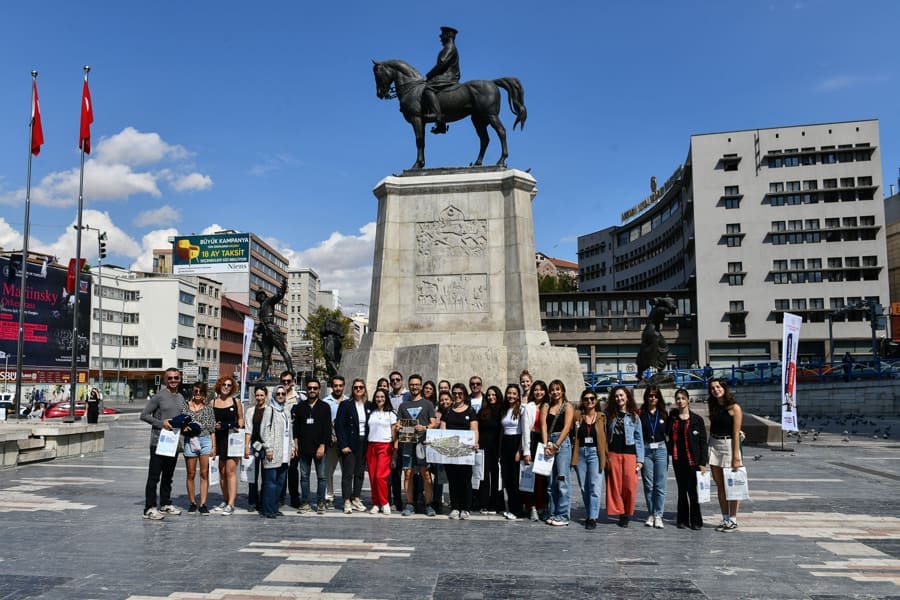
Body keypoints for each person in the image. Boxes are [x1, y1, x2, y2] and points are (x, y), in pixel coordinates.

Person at [139, 367, 185, 520]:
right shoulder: (159, 396)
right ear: (166, 380)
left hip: (173, 442)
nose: (173, 380)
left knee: (168, 476)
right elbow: (144, 415)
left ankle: (165, 504)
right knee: (154, 476)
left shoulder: (181, 397)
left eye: (176, 378)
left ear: (180, 379)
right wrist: (161, 423)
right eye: (170, 378)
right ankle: (149, 508)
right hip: (158, 441)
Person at [666, 387, 708, 530]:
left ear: (688, 400)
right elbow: (666, 436)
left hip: (693, 460)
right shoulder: (672, 419)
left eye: (683, 398)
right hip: (679, 460)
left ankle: (696, 521)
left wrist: (703, 462)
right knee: (681, 490)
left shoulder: (697, 420)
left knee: (693, 491)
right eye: (678, 398)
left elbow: (703, 442)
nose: (680, 401)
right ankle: (682, 520)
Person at [397, 374, 437, 516]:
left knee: (426, 474)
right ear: (409, 386)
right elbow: (398, 423)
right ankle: (409, 503)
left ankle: (428, 504)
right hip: (407, 443)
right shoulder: (403, 405)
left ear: (421, 386)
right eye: (412, 384)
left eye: (417, 384)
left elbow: (434, 423)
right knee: (407, 473)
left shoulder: (428, 404)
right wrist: (398, 427)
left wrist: (425, 428)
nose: (414, 387)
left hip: (423, 444)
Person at [605, 386, 644, 527]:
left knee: (629, 486)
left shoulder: (634, 416)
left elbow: (639, 438)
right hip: (613, 453)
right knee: (615, 485)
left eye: (621, 395)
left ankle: (628, 511)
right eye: (616, 396)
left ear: (627, 397)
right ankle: (621, 513)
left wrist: (640, 460)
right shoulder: (609, 414)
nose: (619, 398)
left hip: (629, 454)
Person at [707, 378, 743, 532]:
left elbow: (736, 433)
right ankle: (725, 517)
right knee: (720, 485)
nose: (716, 390)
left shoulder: (734, 408)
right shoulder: (713, 406)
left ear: (724, 388)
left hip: (729, 446)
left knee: (732, 485)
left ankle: (733, 519)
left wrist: (736, 457)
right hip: (714, 445)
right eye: (713, 388)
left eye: (718, 387)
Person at [293, 379, 332, 514]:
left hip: (319, 448)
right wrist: (296, 444)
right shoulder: (300, 407)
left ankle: (321, 502)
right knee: (304, 477)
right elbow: (296, 428)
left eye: (315, 388)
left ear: (319, 390)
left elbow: (327, 429)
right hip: (304, 448)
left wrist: (322, 446)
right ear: (306, 389)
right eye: (310, 388)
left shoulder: (324, 407)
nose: (312, 390)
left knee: (321, 477)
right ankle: (305, 502)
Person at [572, 388, 607, 530]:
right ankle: (589, 512)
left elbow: (606, 438)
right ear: (582, 401)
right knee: (583, 487)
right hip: (580, 453)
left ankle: (592, 517)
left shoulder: (601, 417)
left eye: (592, 398)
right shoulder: (577, 416)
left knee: (595, 486)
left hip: (595, 453)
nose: (589, 401)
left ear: (596, 401)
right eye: (586, 399)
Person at [540, 379, 575, 526]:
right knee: (550, 482)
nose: (555, 392)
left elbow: (567, 427)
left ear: (563, 391)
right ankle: (553, 512)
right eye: (553, 389)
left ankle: (563, 515)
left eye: (558, 389)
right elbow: (543, 426)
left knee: (562, 480)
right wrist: (546, 444)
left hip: (562, 443)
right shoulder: (546, 406)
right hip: (549, 442)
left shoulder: (567, 406)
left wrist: (556, 445)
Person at [442, 383, 479, 519]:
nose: (457, 396)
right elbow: (443, 431)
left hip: (465, 452)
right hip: (451, 452)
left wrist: (475, 442)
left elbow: (474, 429)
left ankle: (465, 508)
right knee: (453, 480)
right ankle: (455, 507)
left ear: (464, 395)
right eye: (455, 393)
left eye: (460, 393)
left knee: (465, 479)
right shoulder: (448, 411)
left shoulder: (470, 411)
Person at [335, 378, 371, 514]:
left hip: (364, 442)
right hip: (350, 442)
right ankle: (346, 500)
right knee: (348, 473)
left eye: (361, 387)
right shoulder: (346, 404)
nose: (358, 390)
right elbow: (339, 426)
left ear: (364, 389)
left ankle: (356, 498)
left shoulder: (369, 405)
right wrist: (343, 445)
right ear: (352, 389)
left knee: (360, 473)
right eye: (356, 387)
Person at [181, 382, 216, 514]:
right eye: (195, 391)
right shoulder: (185, 407)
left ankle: (203, 503)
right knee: (191, 473)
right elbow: (181, 423)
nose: (197, 394)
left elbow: (212, 429)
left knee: (204, 473)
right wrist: (185, 428)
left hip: (205, 440)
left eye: (200, 392)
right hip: (190, 440)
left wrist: (214, 446)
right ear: (192, 392)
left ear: (204, 394)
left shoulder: (208, 408)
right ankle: (192, 502)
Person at [211, 375, 244, 515]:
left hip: (232, 439)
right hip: (217, 439)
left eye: (229, 385)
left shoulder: (236, 402)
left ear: (232, 387)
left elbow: (241, 419)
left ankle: (231, 503)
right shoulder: (212, 403)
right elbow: (209, 422)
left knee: (230, 471)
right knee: (222, 472)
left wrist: (237, 426)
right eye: (224, 384)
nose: (226, 387)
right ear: (219, 385)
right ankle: (225, 499)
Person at [260, 384, 293, 518]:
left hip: (284, 452)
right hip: (273, 451)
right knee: (270, 483)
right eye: (278, 394)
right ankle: (268, 509)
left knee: (280, 483)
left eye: (283, 394)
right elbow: (264, 430)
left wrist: (292, 447)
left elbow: (290, 430)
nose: (280, 396)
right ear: (274, 395)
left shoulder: (286, 411)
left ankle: (275, 507)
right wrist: (268, 447)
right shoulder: (270, 410)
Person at [639, 386, 668, 529]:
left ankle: (659, 515)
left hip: (661, 448)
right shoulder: (641, 414)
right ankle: (651, 513)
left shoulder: (663, 414)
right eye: (650, 396)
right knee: (649, 485)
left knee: (660, 485)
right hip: (646, 449)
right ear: (646, 397)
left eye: (655, 396)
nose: (653, 398)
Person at [521, 379, 549, 522]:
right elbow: (526, 429)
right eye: (536, 389)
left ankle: (542, 505)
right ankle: (531, 507)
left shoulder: (548, 406)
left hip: (544, 442)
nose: (539, 392)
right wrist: (526, 451)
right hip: (532, 440)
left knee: (543, 478)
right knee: (529, 478)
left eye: (541, 389)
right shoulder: (529, 406)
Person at [423, 26, 460, 135]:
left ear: (448, 35)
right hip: (445, 75)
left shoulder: (450, 47)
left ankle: (438, 117)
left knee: (428, 88)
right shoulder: (448, 47)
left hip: (448, 77)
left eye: (442, 35)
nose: (440, 37)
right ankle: (441, 125)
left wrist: (429, 74)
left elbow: (442, 63)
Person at [366, 388, 397, 514]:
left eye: (382, 397)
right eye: (377, 397)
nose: (380, 399)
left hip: (385, 446)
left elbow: (394, 433)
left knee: (380, 476)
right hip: (371, 446)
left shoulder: (391, 414)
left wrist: (395, 449)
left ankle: (384, 502)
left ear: (386, 399)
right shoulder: (371, 412)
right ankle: (375, 503)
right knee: (373, 477)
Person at [254, 278, 293, 380]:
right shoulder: (260, 309)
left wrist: (283, 289)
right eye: (259, 295)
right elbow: (261, 323)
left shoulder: (268, 302)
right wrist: (256, 330)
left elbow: (278, 296)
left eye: (262, 294)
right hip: (265, 332)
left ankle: (291, 371)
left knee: (282, 350)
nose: (261, 296)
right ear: (257, 298)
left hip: (272, 329)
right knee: (265, 355)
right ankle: (262, 376)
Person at [476, 385, 503, 514]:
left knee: (497, 475)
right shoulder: (483, 411)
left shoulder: (503, 411)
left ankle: (496, 503)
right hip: (483, 447)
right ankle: (484, 502)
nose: (491, 397)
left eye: (494, 395)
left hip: (497, 447)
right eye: (489, 395)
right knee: (484, 475)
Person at [499, 383, 524, 519]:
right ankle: (511, 508)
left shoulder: (521, 409)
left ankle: (517, 509)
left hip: (516, 443)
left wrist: (519, 450)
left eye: (514, 393)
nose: (511, 396)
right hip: (506, 444)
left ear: (518, 395)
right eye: (509, 393)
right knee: (507, 478)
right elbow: (503, 430)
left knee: (515, 479)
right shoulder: (504, 409)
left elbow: (523, 431)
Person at [243, 384, 269, 513]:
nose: (259, 398)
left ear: (266, 396)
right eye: (257, 395)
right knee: (252, 476)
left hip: (266, 446)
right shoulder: (250, 411)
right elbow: (248, 430)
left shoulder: (270, 410)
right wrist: (246, 446)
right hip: (254, 446)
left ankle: (263, 501)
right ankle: (252, 501)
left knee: (266, 476)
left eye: (261, 395)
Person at [280, 370, 304, 508]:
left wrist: (298, 442)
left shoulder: (299, 398)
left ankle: (295, 497)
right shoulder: (277, 396)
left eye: (288, 381)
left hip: (294, 439)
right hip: (281, 438)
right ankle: (281, 496)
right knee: (281, 468)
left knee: (293, 470)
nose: (286, 384)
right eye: (283, 381)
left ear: (293, 381)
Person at [323, 375, 347, 510]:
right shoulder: (326, 402)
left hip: (345, 443)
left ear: (344, 386)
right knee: (328, 471)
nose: (338, 388)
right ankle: (329, 497)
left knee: (347, 472)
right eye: (335, 385)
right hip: (331, 443)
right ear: (332, 386)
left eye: (340, 385)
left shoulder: (349, 401)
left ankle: (346, 498)